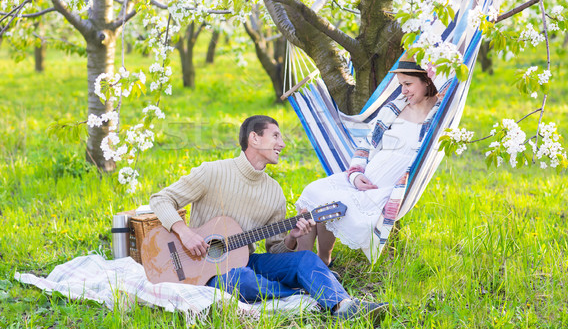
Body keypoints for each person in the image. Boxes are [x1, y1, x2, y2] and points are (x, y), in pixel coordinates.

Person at [149, 115, 387, 322]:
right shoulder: (212, 172)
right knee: (242, 280)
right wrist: (185, 232)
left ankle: (343, 306)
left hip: (245, 259)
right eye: (275, 136)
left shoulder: (274, 193)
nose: (282, 144)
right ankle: (309, 288)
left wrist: (293, 238)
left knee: (304, 259)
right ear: (254, 138)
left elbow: (276, 251)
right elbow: (160, 199)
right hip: (203, 267)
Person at [295, 58, 439, 264]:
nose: (404, 91)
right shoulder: (394, 108)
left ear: (427, 80)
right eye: (401, 85)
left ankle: (321, 260)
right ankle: (306, 264)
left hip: (383, 189)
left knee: (335, 205)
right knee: (313, 193)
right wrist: (355, 175)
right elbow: (366, 145)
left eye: (408, 84)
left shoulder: (438, 115)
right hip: (363, 179)